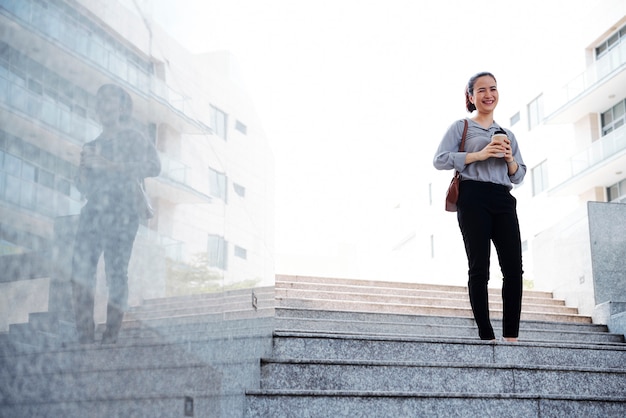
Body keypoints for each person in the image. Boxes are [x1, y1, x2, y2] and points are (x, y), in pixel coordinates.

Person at [433, 72, 526, 342]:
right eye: (482, 90)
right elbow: (439, 160)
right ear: (471, 96)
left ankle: (511, 336)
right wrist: (480, 154)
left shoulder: (508, 134)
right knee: (479, 267)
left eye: (493, 89)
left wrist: (509, 159)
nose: (489, 94)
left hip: (503, 198)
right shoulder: (461, 127)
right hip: (472, 196)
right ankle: (486, 333)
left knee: (513, 269)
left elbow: (518, 175)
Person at [71, 84, 161, 344]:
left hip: (123, 211)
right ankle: (84, 335)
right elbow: (82, 186)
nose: (103, 106)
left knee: (115, 271)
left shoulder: (133, 138)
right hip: (94, 211)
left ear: (122, 107)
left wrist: (112, 165)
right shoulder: (92, 144)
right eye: (99, 101)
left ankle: (111, 334)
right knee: (79, 271)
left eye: (108, 101)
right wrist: (84, 171)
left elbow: (155, 167)